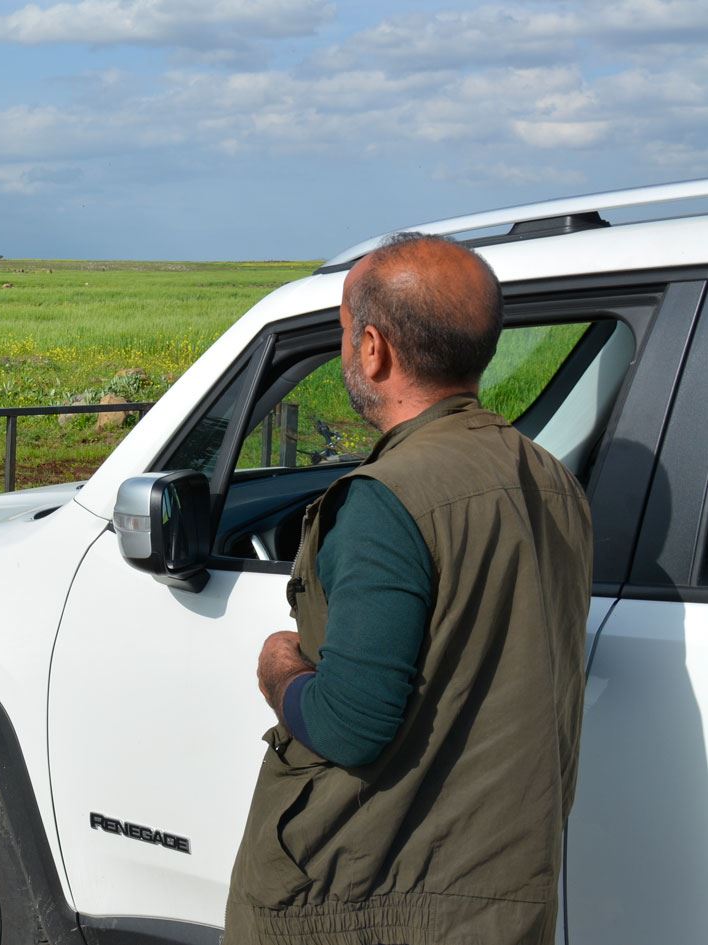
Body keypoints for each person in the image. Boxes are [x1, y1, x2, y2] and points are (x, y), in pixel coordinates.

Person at [224, 234, 593, 945]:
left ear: (372, 349)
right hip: (504, 894)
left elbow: (350, 724)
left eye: (343, 332)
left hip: (369, 902)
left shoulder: (384, 500)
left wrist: (280, 671)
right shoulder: (551, 478)